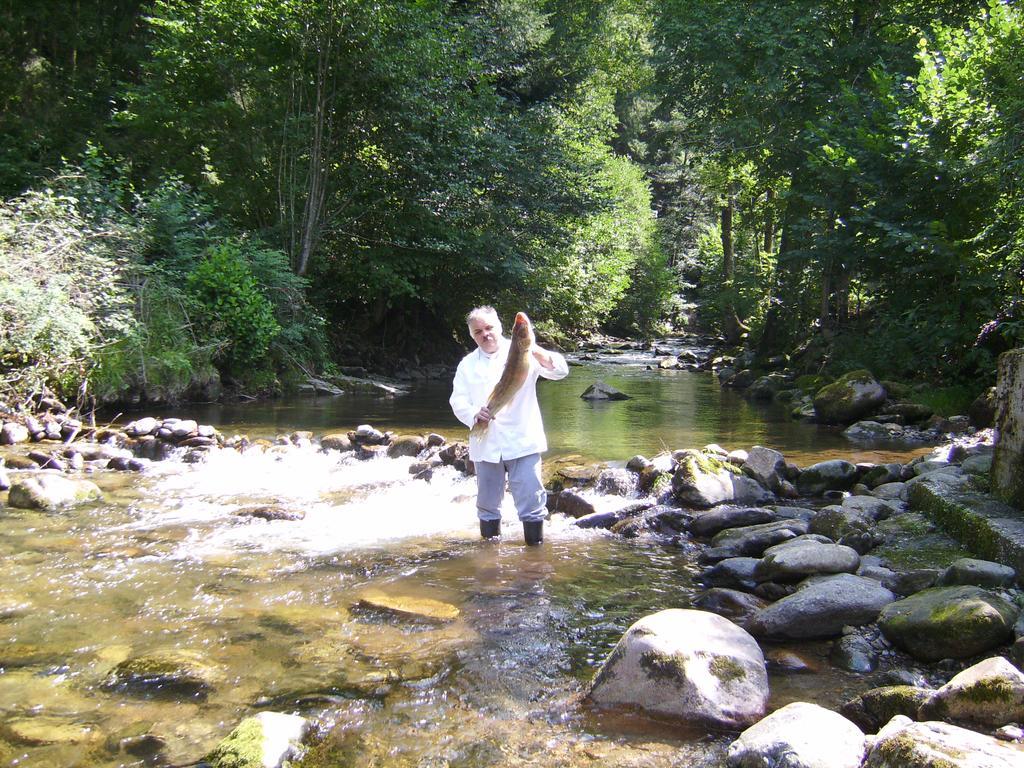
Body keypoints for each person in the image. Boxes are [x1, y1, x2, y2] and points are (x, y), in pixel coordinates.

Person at [449, 306, 569, 545]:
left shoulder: (524, 352)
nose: (485, 334)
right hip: (485, 442)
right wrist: (474, 413)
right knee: (487, 504)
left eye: (489, 328)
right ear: (472, 335)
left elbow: (560, 371)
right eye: (478, 331)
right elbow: (457, 400)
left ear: (500, 327)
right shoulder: (467, 364)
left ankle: (534, 559)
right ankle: (489, 560)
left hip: (523, 439)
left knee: (531, 501)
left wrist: (534, 350)